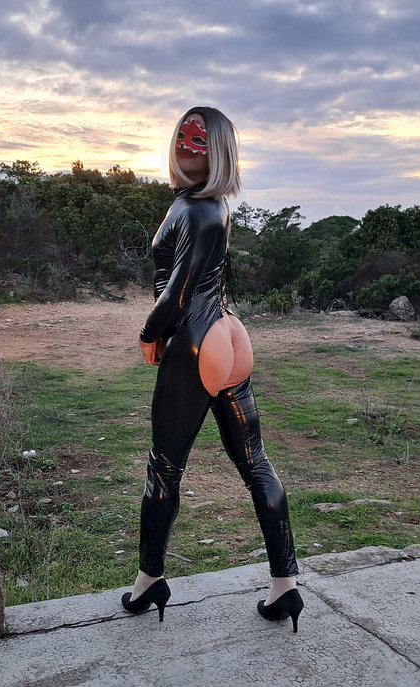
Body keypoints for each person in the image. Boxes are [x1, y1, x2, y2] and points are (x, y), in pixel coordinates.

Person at [121, 106, 303, 632]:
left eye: (199, 140)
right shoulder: (216, 207)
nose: (187, 145)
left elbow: (177, 296)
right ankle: (285, 586)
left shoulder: (193, 208)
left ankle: (149, 580)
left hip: (196, 342)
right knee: (256, 463)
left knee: (164, 468)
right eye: (183, 134)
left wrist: (148, 334)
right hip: (228, 333)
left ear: (219, 150)